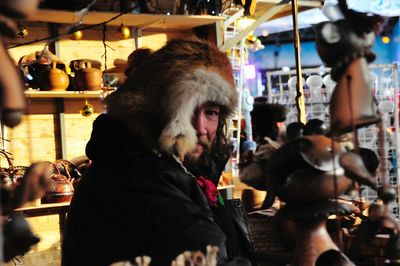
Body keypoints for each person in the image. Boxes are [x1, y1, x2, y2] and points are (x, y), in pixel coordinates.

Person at [62, 38, 253, 266]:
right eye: (188, 109)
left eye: (211, 112)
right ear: (154, 111)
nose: (201, 128)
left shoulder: (166, 168)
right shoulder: (138, 178)